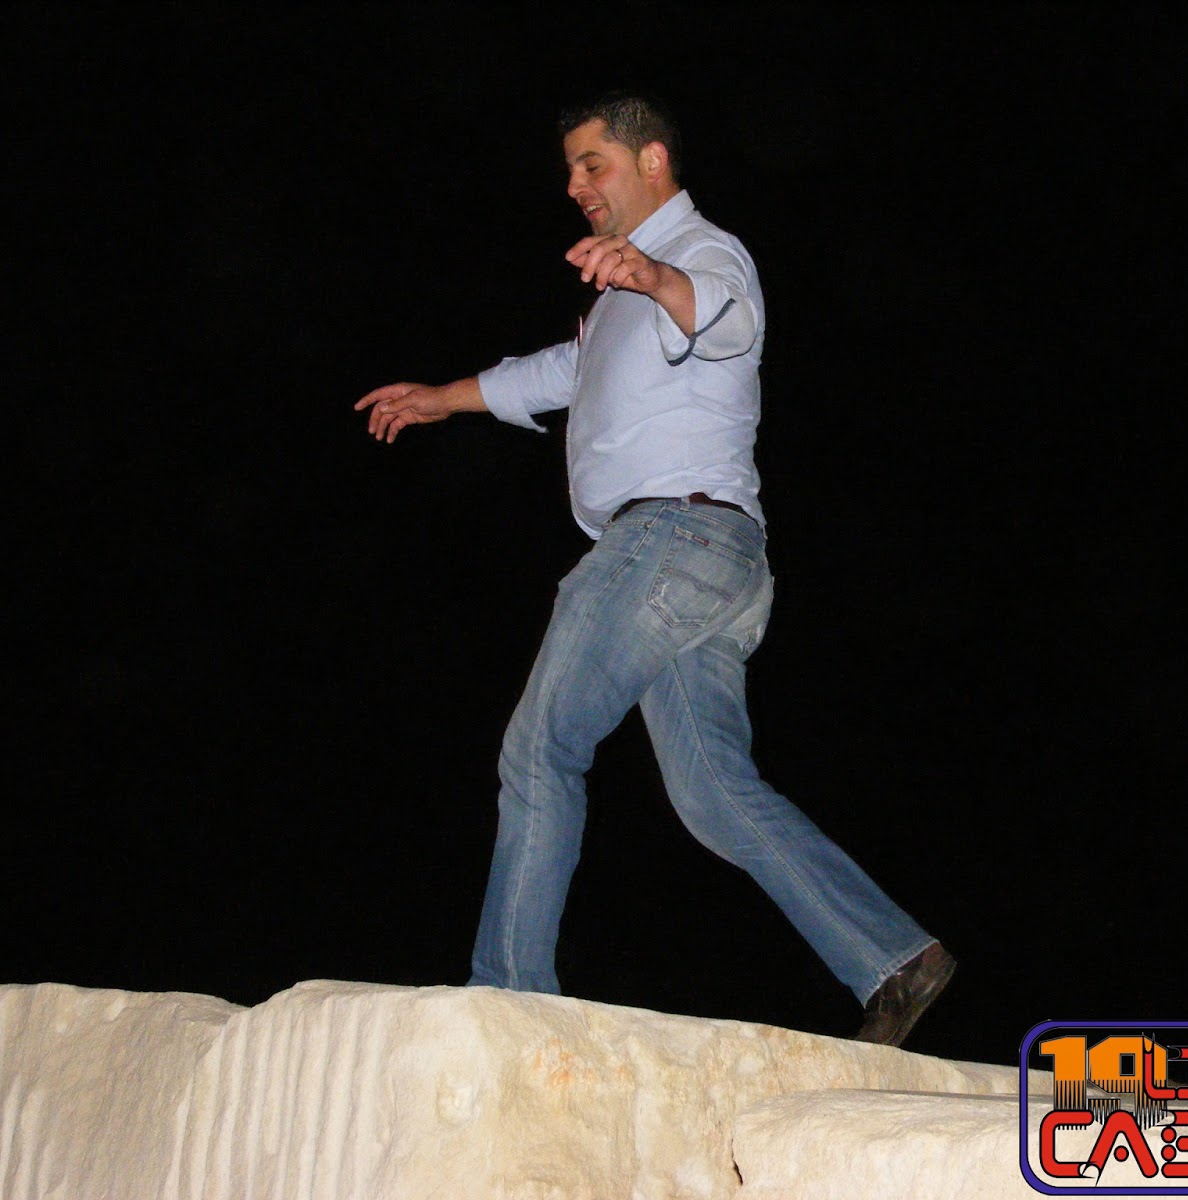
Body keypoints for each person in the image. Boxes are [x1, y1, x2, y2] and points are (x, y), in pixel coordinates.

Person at [355, 93, 953, 1046]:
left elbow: (726, 317)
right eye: (569, 169)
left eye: (592, 164)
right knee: (714, 793)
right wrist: (442, 398)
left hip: (669, 542)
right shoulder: (615, 305)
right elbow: (559, 371)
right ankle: (892, 957)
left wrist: (654, 274)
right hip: (717, 569)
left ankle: (510, 993)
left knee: (540, 751)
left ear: (653, 162)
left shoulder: (703, 253)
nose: (574, 185)